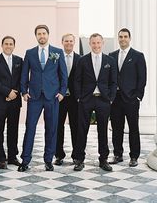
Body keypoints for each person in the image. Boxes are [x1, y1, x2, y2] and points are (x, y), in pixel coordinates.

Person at [18, 24, 68, 172]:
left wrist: (62, 93)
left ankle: (48, 160)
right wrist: (23, 91)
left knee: (51, 129)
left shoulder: (57, 52)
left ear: (48, 35)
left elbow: (63, 74)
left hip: (52, 96)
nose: (41, 36)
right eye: (39, 34)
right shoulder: (30, 53)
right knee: (30, 128)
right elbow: (24, 74)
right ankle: (25, 160)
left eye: (44, 33)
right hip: (34, 96)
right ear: (36, 36)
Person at [73, 33, 117, 172]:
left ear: (102, 43)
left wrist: (110, 98)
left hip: (103, 100)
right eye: (93, 43)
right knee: (82, 130)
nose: (96, 45)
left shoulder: (110, 60)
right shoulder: (82, 60)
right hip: (86, 99)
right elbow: (77, 80)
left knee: (102, 130)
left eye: (98, 43)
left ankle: (103, 159)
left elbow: (113, 81)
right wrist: (79, 97)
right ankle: (79, 159)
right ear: (90, 44)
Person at [109, 28, 147, 167]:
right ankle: (117, 154)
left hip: (131, 99)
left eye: (125, 36)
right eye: (120, 37)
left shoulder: (138, 56)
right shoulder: (111, 55)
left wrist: (138, 97)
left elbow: (142, 78)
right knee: (116, 128)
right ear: (118, 39)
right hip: (116, 100)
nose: (123, 39)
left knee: (133, 128)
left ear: (129, 38)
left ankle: (134, 157)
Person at [0, 36, 23, 169]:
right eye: (6, 44)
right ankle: (0, 157)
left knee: (13, 130)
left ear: (14, 46)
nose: (8, 46)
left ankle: (12, 156)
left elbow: (23, 79)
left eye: (11, 44)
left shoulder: (19, 60)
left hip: (15, 102)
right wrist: (7, 92)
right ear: (2, 45)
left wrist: (15, 93)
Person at [54, 33, 81, 165]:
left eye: (71, 41)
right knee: (58, 127)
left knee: (76, 127)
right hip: (60, 98)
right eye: (66, 41)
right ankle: (59, 155)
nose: (69, 43)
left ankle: (76, 155)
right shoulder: (56, 57)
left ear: (74, 42)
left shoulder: (80, 59)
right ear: (62, 42)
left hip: (75, 99)